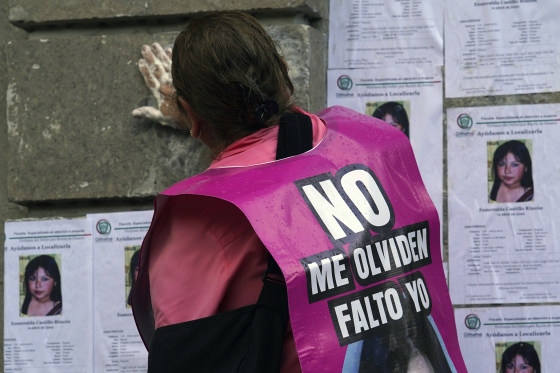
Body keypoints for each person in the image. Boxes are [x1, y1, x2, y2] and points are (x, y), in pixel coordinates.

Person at [131, 11, 465, 373]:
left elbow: (181, 351)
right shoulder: (379, 145)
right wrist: (209, 123)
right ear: (284, 76)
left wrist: (203, 122)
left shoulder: (198, 219)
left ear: (192, 116)